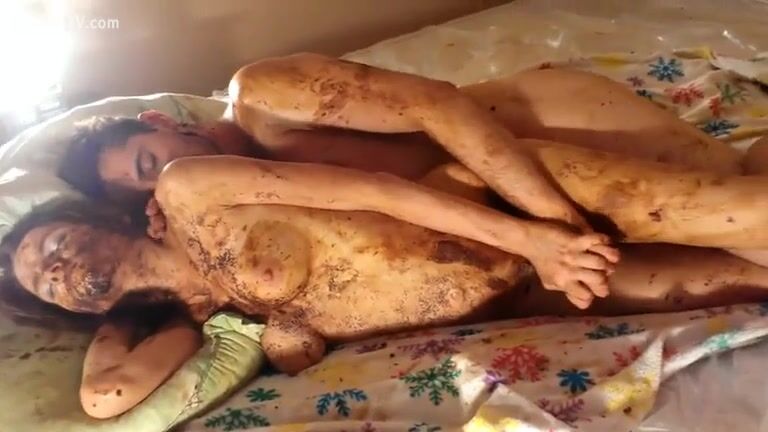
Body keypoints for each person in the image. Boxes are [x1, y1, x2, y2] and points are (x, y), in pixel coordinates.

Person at [59, 54, 768, 309]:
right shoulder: (228, 207)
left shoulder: (262, 96)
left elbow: (439, 104)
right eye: (142, 191)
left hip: (545, 132)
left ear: (158, 119)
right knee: (741, 266)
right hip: (511, 212)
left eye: (147, 160)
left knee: (731, 198)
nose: (162, 180)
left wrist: (558, 231)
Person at [4, 182, 768, 418]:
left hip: (493, 218)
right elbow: (107, 397)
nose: (58, 268)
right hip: (510, 299)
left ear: (99, 216)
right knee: (734, 279)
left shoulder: (189, 198)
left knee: (736, 213)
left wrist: (532, 236)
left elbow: (376, 192)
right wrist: (102, 318)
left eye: (55, 243)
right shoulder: (201, 320)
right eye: (46, 281)